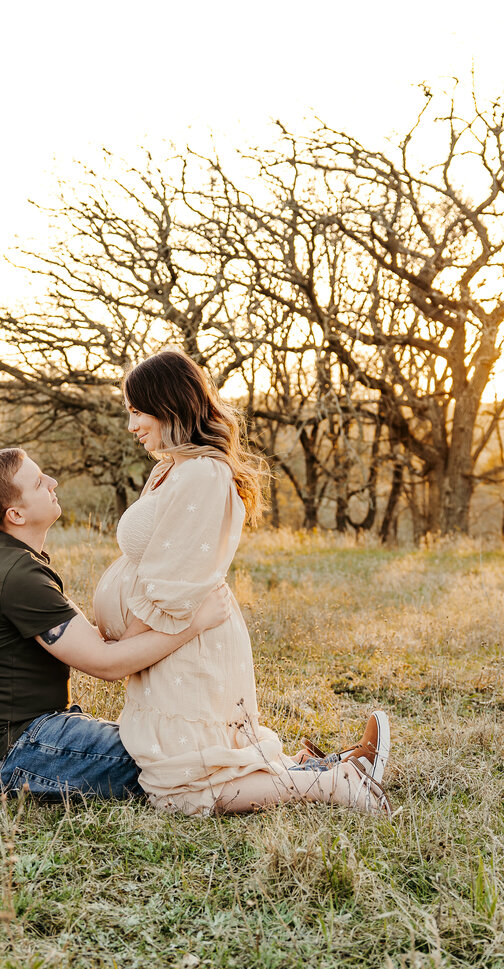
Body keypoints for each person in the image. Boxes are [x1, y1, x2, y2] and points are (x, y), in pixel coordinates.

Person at [93, 348, 391, 816]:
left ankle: (339, 783)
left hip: (182, 642)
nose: (131, 425)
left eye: (137, 411)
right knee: (196, 764)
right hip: (168, 646)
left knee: (186, 788)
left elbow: (176, 583)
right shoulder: (169, 468)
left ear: (169, 404)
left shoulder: (203, 474)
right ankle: (329, 769)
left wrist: (123, 647)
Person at [0, 446, 231, 801]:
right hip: (16, 755)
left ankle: (288, 766)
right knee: (179, 761)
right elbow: (107, 664)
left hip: (35, 737)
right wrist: (195, 623)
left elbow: (97, 642)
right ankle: (310, 775)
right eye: (38, 482)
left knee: (174, 744)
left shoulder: (9, 562)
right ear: (16, 515)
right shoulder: (16, 576)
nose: (52, 482)